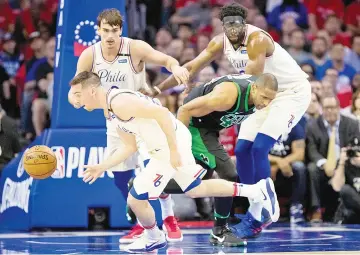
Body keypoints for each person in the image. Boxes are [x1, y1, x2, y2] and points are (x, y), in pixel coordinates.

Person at [69, 71, 279, 253]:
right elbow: (129, 146)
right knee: (195, 189)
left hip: (168, 144)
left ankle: (154, 237)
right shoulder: (111, 110)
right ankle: (256, 191)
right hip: (168, 142)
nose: (78, 102)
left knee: (135, 198)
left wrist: (173, 150)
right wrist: (102, 166)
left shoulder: (119, 101)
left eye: (79, 95)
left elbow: (162, 113)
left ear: (93, 91)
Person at [155, 2, 311, 238]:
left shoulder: (257, 40)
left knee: (259, 147)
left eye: (239, 23)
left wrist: (209, 87)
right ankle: (253, 206)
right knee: (242, 149)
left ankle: (263, 209)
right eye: (228, 24)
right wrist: (158, 89)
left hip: (288, 94)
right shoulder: (220, 41)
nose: (234, 28)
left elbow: (251, 78)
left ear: (245, 23)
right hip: (258, 94)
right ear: (223, 26)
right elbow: (191, 67)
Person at [68, 8, 189, 243]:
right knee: (121, 178)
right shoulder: (89, 56)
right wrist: (76, 99)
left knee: (152, 171)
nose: (110, 36)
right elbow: (75, 89)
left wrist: (175, 67)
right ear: (98, 30)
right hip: (115, 120)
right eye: (105, 31)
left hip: (143, 118)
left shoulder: (134, 48)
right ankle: (141, 223)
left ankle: (168, 217)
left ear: (121, 30)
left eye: (115, 30)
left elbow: (165, 59)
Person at [177, 73, 278, 243]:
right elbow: (184, 110)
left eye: (271, 99)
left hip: (209, 128)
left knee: (200, 180)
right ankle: (220, 231)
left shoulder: (258, 90)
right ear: (254, 88)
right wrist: (181, 149)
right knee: (228, 174)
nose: (266, 103)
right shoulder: (227, 96)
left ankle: (147, 187)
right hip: (195, 126)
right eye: (264, 97)